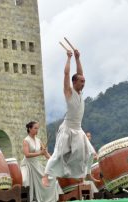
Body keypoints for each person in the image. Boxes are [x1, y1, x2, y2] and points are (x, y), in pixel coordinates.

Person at [42, 49, 97, 187]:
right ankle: (46, 175)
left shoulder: (80, 93)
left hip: (78, 129)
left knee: (90, 152)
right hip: (67, 129)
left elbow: (80, 73)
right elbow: (67, 73)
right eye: (81, 81)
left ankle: (87, 173)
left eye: (84, 81)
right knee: (58, 154)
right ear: (74, 82)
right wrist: (69, 58)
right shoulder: (69, 92)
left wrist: (78, 58)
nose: (83, 83)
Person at [20, 121, 62, 202]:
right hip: (27, 165)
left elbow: (45, 153)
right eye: (35, 128)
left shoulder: (38, 140)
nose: (37, 130)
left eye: (37, 128)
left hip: (36, 164)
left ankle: (47, 199)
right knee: (24, 181)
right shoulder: (26, 140)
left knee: (50, 177)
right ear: (29, 129)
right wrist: (40, 153)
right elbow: (26, 154)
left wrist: (53, 161)